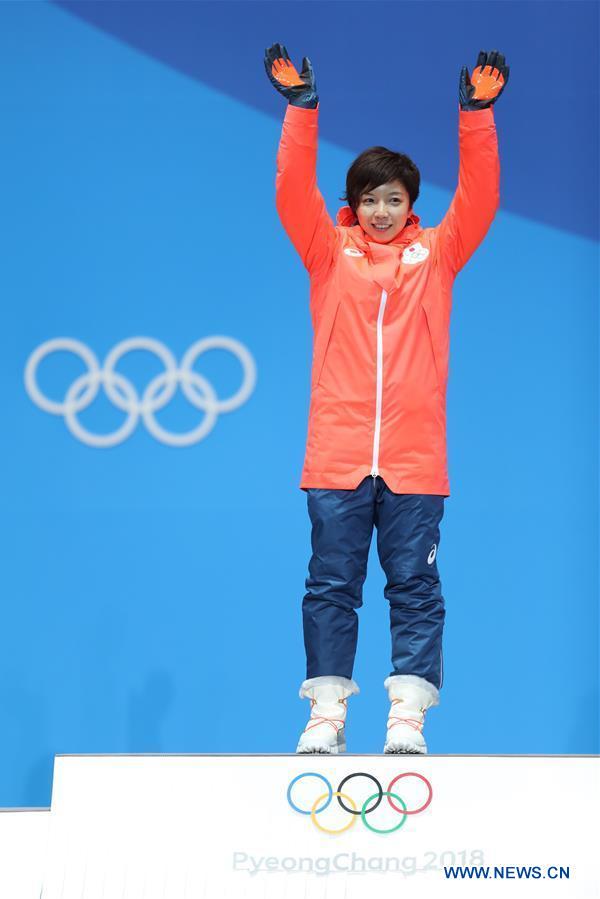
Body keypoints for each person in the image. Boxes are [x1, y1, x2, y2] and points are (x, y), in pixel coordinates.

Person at [264, 44, 508, 754]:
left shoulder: (438, 254)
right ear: (354, 204)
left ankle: (407, 717)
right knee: (330, 587)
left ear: (410, 206)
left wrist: (477, 117)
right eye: (369, 198)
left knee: (415, 590)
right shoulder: (325, 250)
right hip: (337, 455)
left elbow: (482, 197)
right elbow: (289, 190)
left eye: (393, 199)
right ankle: (327, 715)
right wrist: (300, 111)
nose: (379, 210)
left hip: (414, 459)